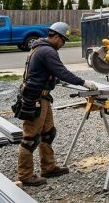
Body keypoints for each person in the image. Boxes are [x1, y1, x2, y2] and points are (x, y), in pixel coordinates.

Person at [14, 22, 99, 186]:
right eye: (63, 40)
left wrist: (56, 80)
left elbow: (46, 72)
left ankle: (48, 167)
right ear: (57, 36)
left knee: (48, 133)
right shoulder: (47, 51)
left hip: (42, 97)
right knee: (30, 138)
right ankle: (25, 175)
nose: (63, 44)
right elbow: (61, 71)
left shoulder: (41, 48)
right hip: (35, 98)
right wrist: (83, 82)